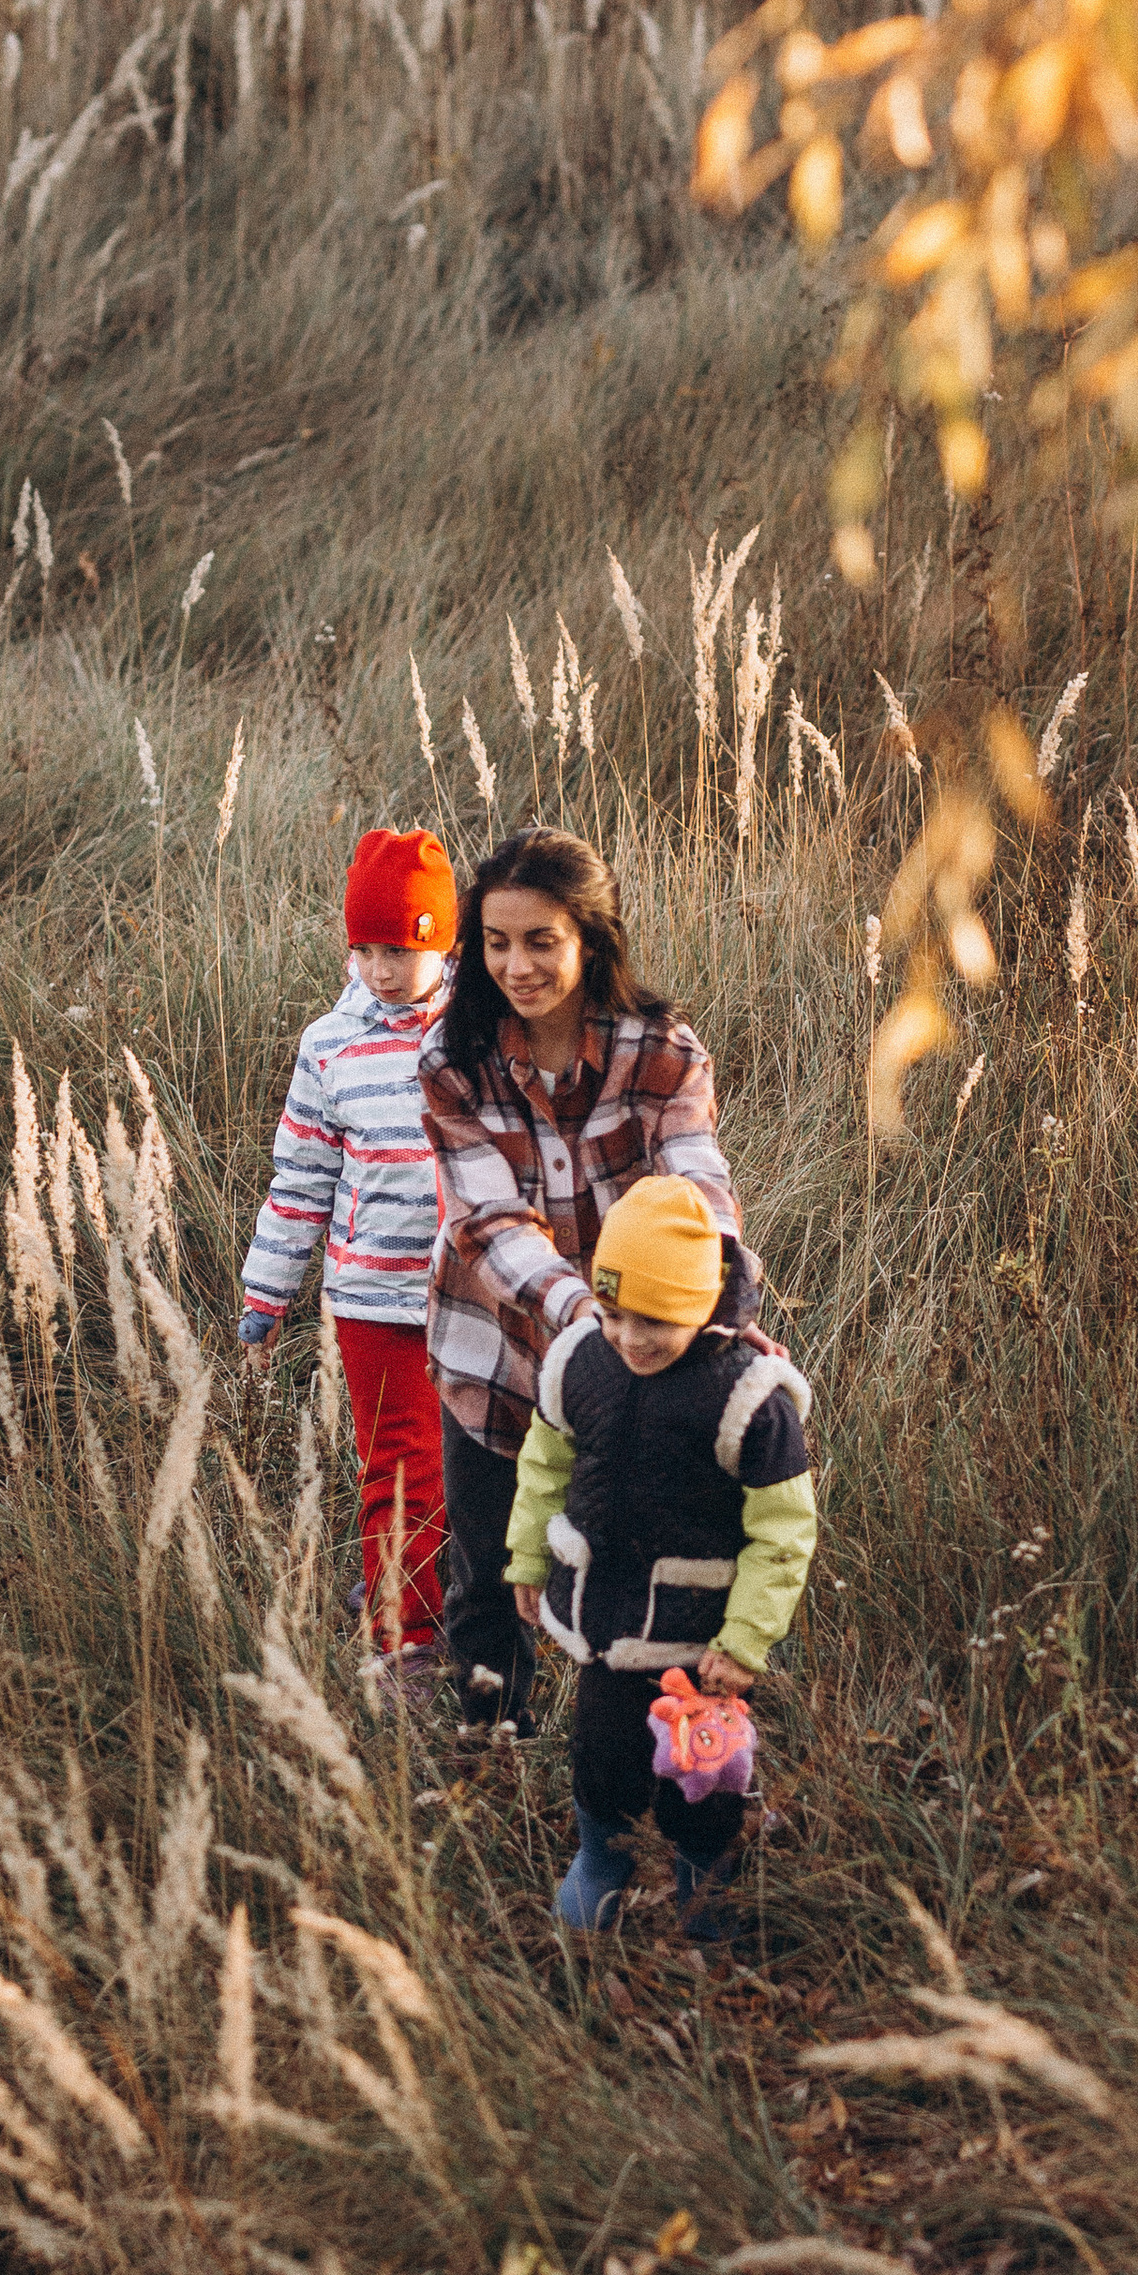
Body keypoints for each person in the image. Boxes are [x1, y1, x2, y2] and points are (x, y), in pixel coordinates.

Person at [418, 827, 756, 1745]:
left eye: (541, 941)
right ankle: (492, 1744)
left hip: (645, 1360)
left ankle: (665, 1757)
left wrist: (714, 1297)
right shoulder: (454, 1064)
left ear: (590, 940)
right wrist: (589, 1316)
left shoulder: (661, 1053)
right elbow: (485, 1223)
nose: (517, 965)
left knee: (651, 1559)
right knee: (490, 1572)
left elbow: (696, 1181)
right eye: (496, 941)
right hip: (497, 1357)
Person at [504, 1176, 814, 1949]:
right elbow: (544, 1466)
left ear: (703, 1304)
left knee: (703, 1784)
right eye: (612, 1315)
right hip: (605, 1627)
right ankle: (599, 1870)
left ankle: (706, 1901)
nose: (631, 1338)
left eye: (656, 1321)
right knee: (601, 1760)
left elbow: (784, 1534)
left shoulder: (747, 1400)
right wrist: (527, 1558)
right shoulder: (582, 1361)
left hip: (702, 1645)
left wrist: (745, 1642)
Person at [240, 829, 456, 1682]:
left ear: (444, 942)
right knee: (397, 1467)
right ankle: (405, 1641)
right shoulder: (329, 1045)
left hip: (474, 1295)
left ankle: (456, 1606)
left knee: (473, 1461)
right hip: (372, 1296)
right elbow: (299, 1180)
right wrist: (268, 1294)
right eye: (365, 950)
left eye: (403, 950)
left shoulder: (482, 1032)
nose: (382, 971)